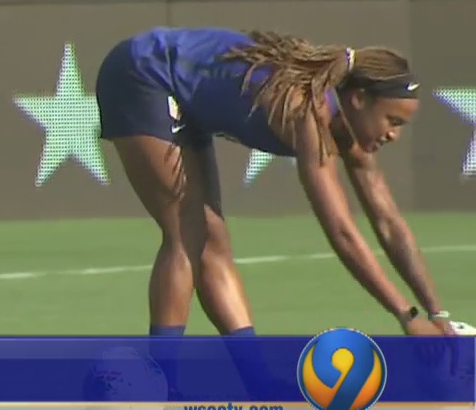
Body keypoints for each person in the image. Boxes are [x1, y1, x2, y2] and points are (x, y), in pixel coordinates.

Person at [94, 27, 451, 375]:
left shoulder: (352, 133)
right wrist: (407, 316)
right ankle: (160, 384)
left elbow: (389, 224)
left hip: (184, 96)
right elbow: (342, 231)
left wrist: (436, 313)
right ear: (358, 100)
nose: (394, 134)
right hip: (143, 72)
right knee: (187, 232)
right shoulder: (306, 114)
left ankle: (257, 381)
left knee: (213, 240)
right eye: (392, 120)